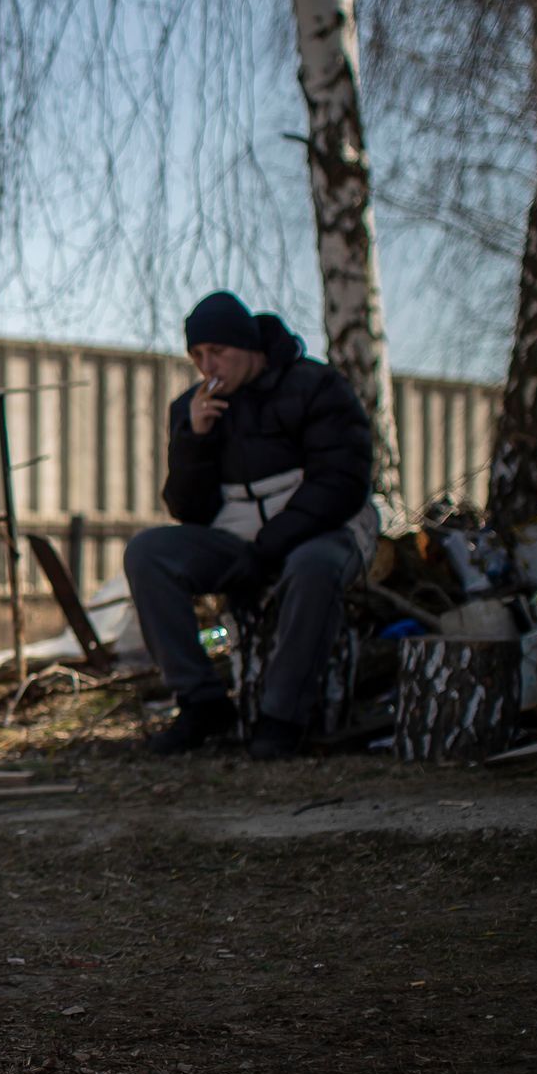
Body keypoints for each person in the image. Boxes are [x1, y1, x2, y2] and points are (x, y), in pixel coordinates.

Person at [124, 290, 376, 759]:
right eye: (197, 355)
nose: (207, 366)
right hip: (241, 539)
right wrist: (195, 440)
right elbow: (188, 509)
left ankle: (282, 718)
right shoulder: (192, 408)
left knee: (313, 568)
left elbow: (342, 481)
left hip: (323, 530)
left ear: (249, 347)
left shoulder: (315, 386)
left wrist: (272, 543)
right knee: (149, 553)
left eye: (218, 352)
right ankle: (201, 702)